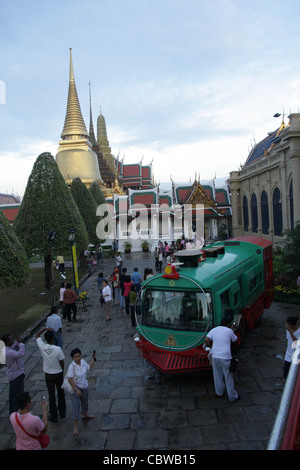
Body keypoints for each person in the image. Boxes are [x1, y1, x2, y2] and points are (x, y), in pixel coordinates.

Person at [204, 316, 240, 403]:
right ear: (228, 324)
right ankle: (232, 396)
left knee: (217, 375)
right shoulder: (229, 331)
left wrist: (210, 346)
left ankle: (219, 393)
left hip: (215, 356)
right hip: (225, 356)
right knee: (228, 376)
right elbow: (235, 340)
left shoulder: (214, 329)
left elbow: (206, 339)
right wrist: (233, 330)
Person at [36, 327, 66, 422]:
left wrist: (45, 328)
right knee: (61, 393)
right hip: (58, 373)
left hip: (48, 374)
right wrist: (62, 369)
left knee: (51, 395)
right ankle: (62, 412)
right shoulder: (57, 349)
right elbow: (61, 361)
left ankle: (54, 415)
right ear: (53, 338)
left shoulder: (42, 346)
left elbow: (37, 335)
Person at [68, 347, 96, 435]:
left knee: (85, 402)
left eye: (78, 356)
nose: (77, 358)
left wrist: (93, 359)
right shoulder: (71, 366)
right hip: (75, 388)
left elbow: (89, 368)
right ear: (72, 358)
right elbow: (70, 379)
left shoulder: (83, 362)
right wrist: (76, 390)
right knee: (76, 406)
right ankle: (75, 426)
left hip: (84, 386)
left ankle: (85, 413)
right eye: (75, 357)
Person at [1, 333, 25, 414]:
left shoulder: (6, 349)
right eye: (11, 339)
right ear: (7, 342)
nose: (13, 340)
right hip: (16, 375)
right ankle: (17, 412)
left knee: (13, 395)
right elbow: (21, 354)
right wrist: (21, 344)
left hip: (13, 375)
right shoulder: (9, 353)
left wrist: (17, 342)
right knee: (18, 395)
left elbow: (13, 347)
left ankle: (13, 412)